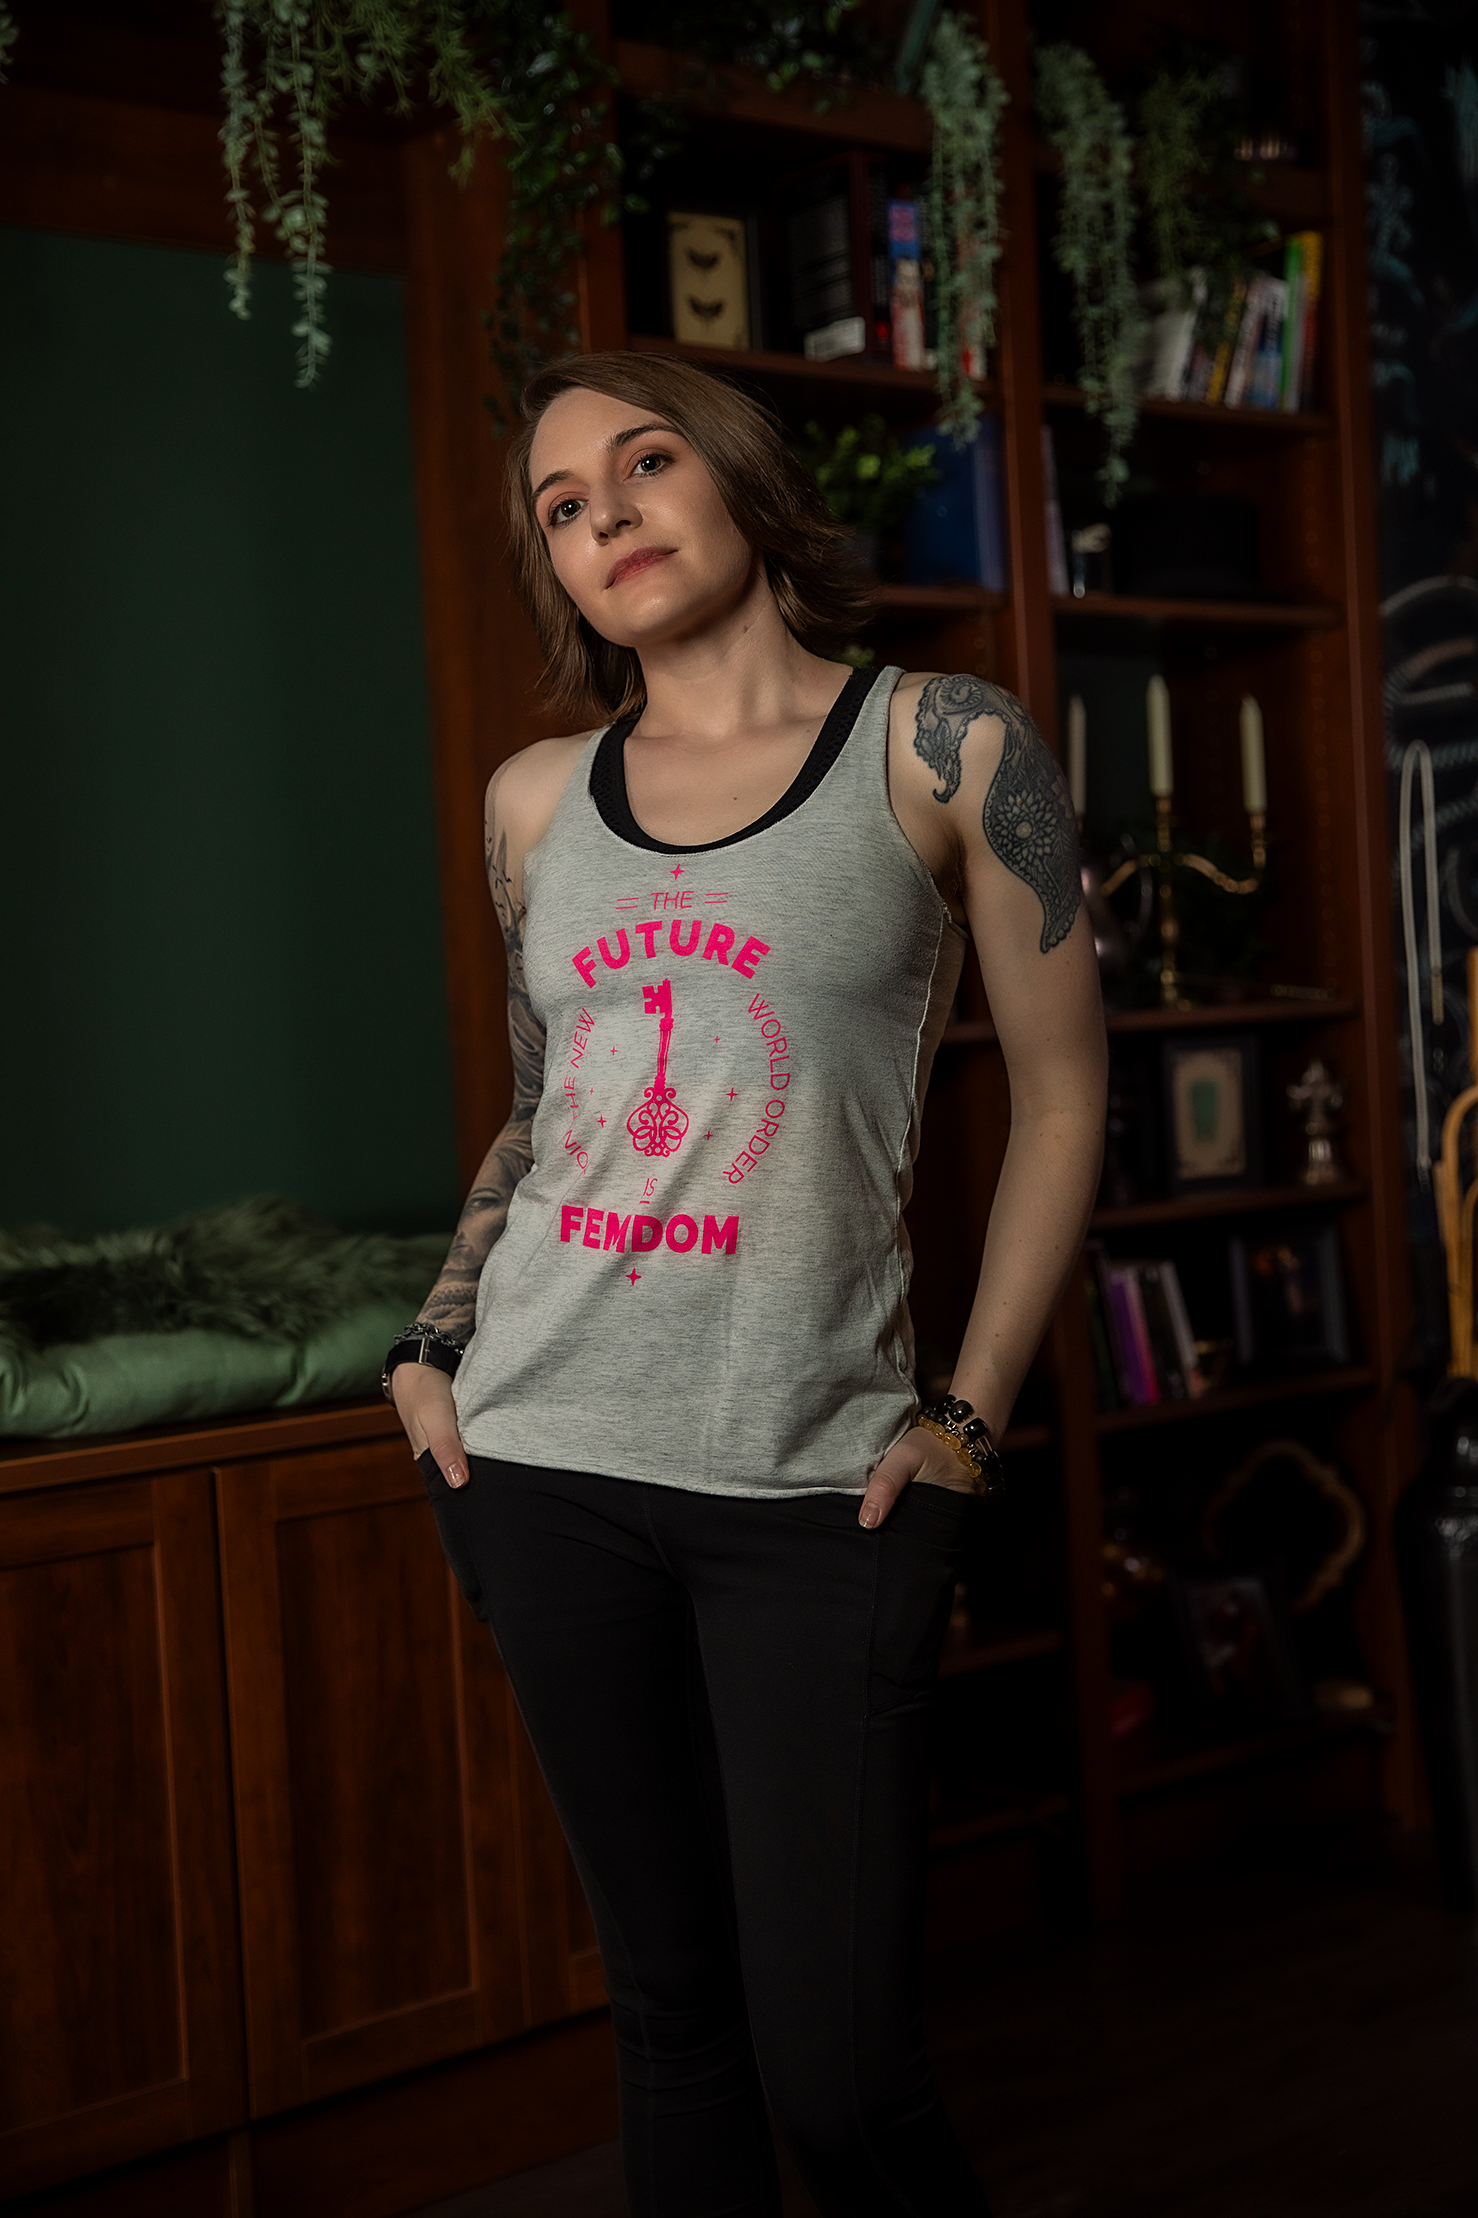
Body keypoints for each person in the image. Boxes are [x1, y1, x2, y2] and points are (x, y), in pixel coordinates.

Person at [385, 351, 1107, 2218]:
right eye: (561, 504)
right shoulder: (535, 799)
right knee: (672, 2025)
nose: (605, 513)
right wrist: (433, 1346)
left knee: (842, 2079)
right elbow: (546, 1110)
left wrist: (967, 1420)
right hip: (540, 1460)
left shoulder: (943, 743)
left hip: (817, 1479)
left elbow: (1062, 1096)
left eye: (642, 462)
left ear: (735, 472)